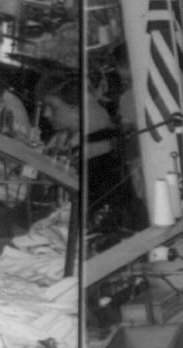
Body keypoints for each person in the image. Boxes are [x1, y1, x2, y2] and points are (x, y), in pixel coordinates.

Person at [41, 77, 147, 251]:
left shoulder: (92, 125)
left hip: (101, 220)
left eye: (52, 108)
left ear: (75, 110)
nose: (46, 114)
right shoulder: (66, 133)